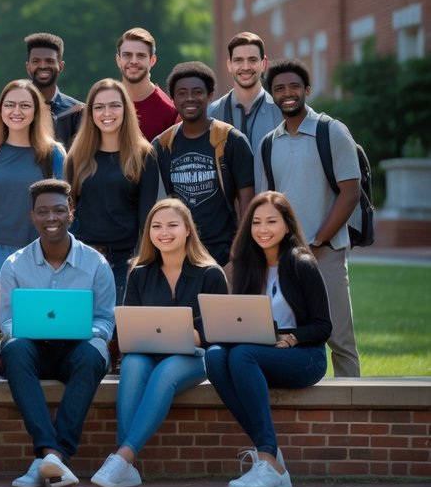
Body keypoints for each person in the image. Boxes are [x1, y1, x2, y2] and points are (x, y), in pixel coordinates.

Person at [90, 199, 227, 487]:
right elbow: (129, 324)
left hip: (194, 356)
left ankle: (123, 455)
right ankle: (126, 468)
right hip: (147, 352)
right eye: (156, 226)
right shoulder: (139, 272)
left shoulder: (210, 273)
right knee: (133, 363)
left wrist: (186, 335)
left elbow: (217, 330)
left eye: (172, 225)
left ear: (188, 229)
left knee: (165, 372)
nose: (164, 232)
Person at [205, 191, 331, 487]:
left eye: (272, 221)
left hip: (304, 355)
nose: (263, 229)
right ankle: (272, 458)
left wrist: (294, 337)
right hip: (260, 349)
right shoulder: (248, 265)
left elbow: (323, 325)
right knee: (216, 356)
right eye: (257, 222)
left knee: (241, 356)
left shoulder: (301, 263)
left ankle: (267, 460)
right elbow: (241, 319)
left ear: (287, 225)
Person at [0, 179, 115, 487]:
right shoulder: (14, 265)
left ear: (71, 213)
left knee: (94, 355)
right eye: (44, 211)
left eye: (59, 210)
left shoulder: (97, 264)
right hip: (34, 352)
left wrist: (78, 330)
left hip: (76, 351)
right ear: (32, 216)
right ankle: (52, 454)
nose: (52, 218)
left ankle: (52, 456)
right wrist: (35, 329)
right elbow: (6, 322)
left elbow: (105, 323)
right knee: (14, 350)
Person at [258, 58, 361, 378]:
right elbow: (269, 204)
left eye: (293, 86)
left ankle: (351, 416)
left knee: (340, 339)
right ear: (271, 94)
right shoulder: (268, 143)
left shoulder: (331, 131)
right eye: (279, 88)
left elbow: (351, 193)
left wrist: (317, 240)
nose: (287, 93)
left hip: (326, 252)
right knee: (282, 335)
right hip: (284, 258)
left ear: (307, 90)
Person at [64, 77, 159, 302]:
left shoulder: (144, 155)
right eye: (99, 107)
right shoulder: (76, 156)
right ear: (91, 113)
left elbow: (147, 218)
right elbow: (67, 212)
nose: (107, 112)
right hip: (81, 259)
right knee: (78, 329)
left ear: (126, 109)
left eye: (114, 105)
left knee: (118, 332)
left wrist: (144, 263)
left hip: (123, 261)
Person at [153, 62, 254, 265]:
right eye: (182, 93)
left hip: (224, 254)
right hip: (178, 254)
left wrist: (239, 254)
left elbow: (247, 200)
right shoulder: (162, 145)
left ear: (210, 96)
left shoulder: (231, 140)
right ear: (172, 99)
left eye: (197, 91)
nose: (190, 98)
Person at [0, 79, 65, 276]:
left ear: (36, 111)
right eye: (9, 105)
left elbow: (64, 208)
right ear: (1, 110)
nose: (16, 111)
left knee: (35, 308)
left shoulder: (53, 154)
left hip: (40, 252)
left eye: (25, 105)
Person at [207, 32, 283, 188]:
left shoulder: (282, 112)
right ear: (229, 65)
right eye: (238, 60)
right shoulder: (210, 114)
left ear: (263, 63)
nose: (246, 67)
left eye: (252, 60)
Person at [115, 27, 178, 140]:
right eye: (127, 55)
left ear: (152, 60)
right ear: (118, 60)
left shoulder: (168, 111)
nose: (133, 61)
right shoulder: (103, 104)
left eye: (141, 55)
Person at [25, 32, 84, 149]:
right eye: (36, 61)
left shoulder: (77, 111)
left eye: (49, 61)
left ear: (61, 66)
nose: (42, 66)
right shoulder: (15, 109)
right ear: (28, 67)